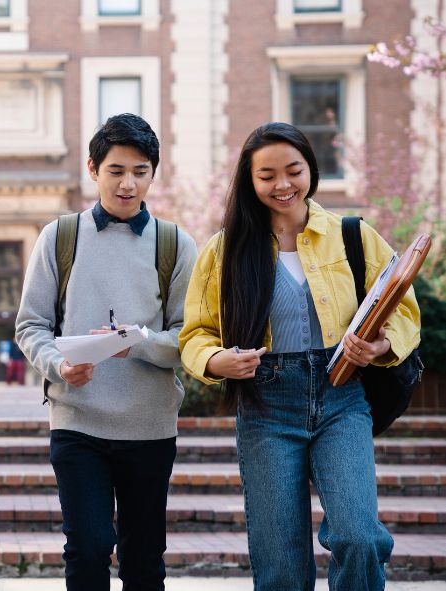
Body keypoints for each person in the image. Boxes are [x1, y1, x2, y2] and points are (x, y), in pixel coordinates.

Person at [179, 122, 421, 591]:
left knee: (359, 537)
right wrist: (216, 361)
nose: (282, 184)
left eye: (294, 170)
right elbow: (195, 334)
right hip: (266, 407)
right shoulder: (224, 251)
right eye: (266, 175)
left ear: (311, 168)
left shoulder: (353, 234)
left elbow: (404, 310)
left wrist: (381, 346)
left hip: (342, 397)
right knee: (282, 567)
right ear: (249, 182)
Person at [15, 113, 197, 591]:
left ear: (153, 173)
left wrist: (137, 341)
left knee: (143, 559)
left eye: (140, 170)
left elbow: (190, 338)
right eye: (116, 170)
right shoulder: (60, 237)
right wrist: (59, 363)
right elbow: (30, 325)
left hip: (150, 425)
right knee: (89, 546)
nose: (128, 183)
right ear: (93, 169)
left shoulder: (175, 244)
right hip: (78, 420)